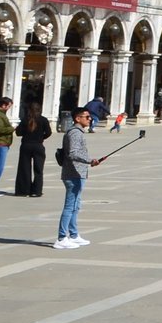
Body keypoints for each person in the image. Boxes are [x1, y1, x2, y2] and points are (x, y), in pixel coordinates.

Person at [54, 106, 104, 247]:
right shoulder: (75, 133)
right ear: (77, 118)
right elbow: (73, 153)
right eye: (87, 117)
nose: (90, 119)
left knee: (76, 206)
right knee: (70, 206)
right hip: (73, 173)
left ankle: (74, 235)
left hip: (78, 173)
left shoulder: (77, 132)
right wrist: (90, 160)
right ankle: (61, 238)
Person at [14, 106, 51, 197]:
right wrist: (41, 138)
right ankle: (36, 191)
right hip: (38, 145)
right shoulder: (43, 120)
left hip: (26, 145)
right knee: (38, 169)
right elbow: (48, 132)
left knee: (24, 168)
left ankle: (24, 190)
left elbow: (18, 133)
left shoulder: (25, 120)